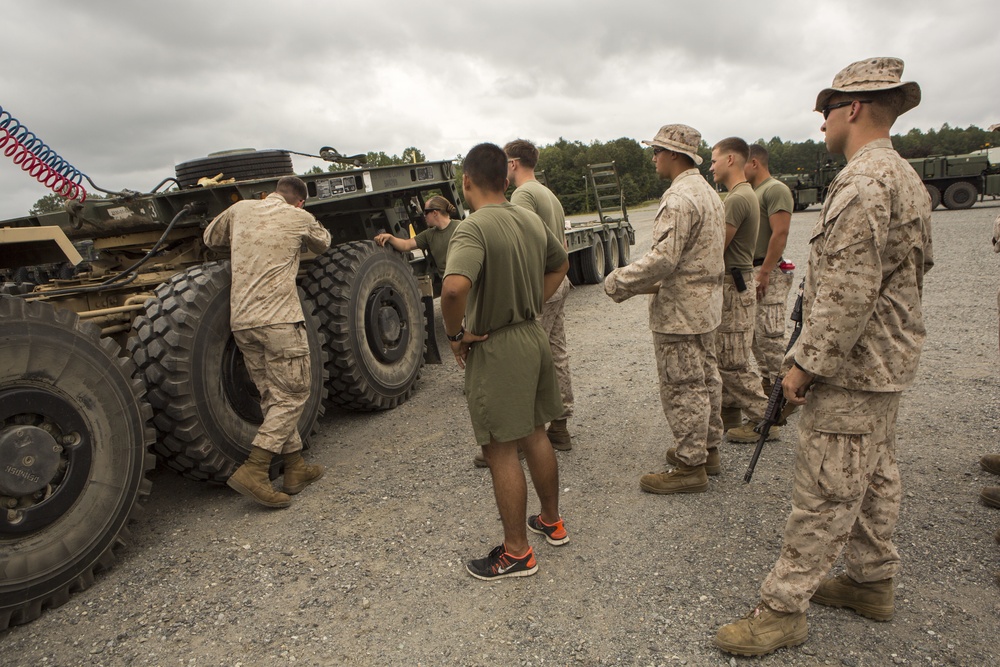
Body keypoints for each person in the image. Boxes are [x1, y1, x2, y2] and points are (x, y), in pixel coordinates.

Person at [715, 57, 932, 656]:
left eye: (826, 112)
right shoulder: (903, 176)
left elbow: (846, 292)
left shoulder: (863, 183)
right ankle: (870, 580)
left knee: (825, 488)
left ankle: (783, 609)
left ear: (853, 109)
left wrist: (803, 366)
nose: (821, 126)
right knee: (877, 471)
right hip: (885, 362)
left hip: (853, 366)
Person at [441, 142, 570, 580]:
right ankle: (552, 522)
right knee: (536, 434)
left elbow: (454, 289)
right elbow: (562, 263)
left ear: (467, 181)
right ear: (504, 177)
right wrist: (532, 300)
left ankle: (516, 552)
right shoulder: (528, 218)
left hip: (497, 345)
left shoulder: (472, 227)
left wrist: (455, 335)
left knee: (499, 449)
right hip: (531, 336)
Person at [604, 124, 725, 493]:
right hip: (705, 307)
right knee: (706, 378)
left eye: (657, 151)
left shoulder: (679, 197)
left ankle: (691, 467)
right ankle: (708, 449)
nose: (653, 157)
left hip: (681, 313)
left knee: (682, 386)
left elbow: (663, 259)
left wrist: (618, 281)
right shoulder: (708, 192)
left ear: (674, 154)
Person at [203, 175, 332, 508]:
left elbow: (210, 238)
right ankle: (255, 470)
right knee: (293, 393)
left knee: (272, 395)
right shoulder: (299, 216)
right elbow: (323, 243)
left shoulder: (241, 209)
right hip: (279, 321)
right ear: (299, 201)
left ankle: (294, 467)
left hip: (243, 321)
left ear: (271, 194)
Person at [504, 139, 576, 453]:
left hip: (539, 286)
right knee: (555, 353)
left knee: (526, 359)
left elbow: (521, 244)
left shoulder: (522, 194)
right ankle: (559, 427)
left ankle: (522, 436)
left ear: (513, 164)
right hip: (558, 282)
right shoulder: (548, 194)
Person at [708, 137, 773, 443]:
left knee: (732, 361)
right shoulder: (744, 193)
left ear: (730, 160)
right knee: (729, 353)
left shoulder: (736, 198)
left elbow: (717, 248)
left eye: (713, 160)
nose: (710, 166)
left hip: (733, 285)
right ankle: (730, 412)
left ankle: (764, 418)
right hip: (738, 282)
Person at [745, 145, 796, 397]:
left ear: (754, 162)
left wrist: (765, 271)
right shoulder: (754, 192)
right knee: (756, 338)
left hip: (769, 270)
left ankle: (783, 395)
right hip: (754, 269)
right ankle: (769, 390)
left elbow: (781, 232)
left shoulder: (775, 189)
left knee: (771, 337)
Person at [374, 195, 459, 277]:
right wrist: (390, 238)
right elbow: (406, 245)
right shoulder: (429, 234)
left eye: (426, 212)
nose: (424, 216)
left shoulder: (461, 228)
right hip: (447, 284)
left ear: (435, 213)